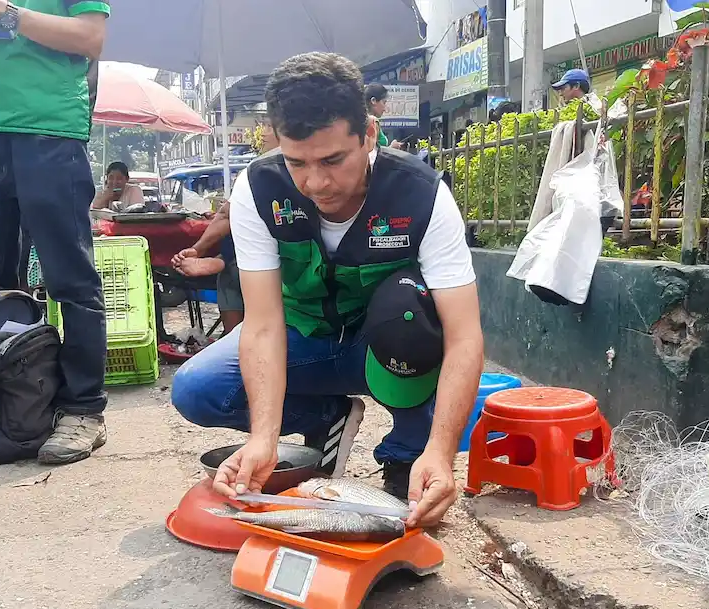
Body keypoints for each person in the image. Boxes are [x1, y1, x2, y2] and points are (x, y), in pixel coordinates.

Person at [170, 52, 484, 528]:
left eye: (333, 160)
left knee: (415, 318)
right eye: (296, 162)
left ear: (369, 134)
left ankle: (409, 455)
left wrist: (442, 454)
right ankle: (326, 414)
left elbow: (464, 336)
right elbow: (263, 324)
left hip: (382, 347)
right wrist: (263, 438)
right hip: (302, 337)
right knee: (197, 389)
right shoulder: (259, 190)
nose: (316, 183)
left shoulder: (421, 194)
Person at [0, 0, 110, 464]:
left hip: (48, 130)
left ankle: (83, 409)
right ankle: (0, 406)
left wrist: (3, 12)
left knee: (70, 279)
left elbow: (90, 37)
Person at [170, 124, 279, 334]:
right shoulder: (254, 172)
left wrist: (200, 250)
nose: (262, 133)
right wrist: (198, 249)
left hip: (270, 263)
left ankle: (223, 261)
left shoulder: (261, 171)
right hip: (248, 260)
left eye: (268, 126)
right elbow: (228, 214)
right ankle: (224, 260)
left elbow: (227, 214)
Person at [365, 83, 403, 150]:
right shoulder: (371, 122)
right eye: (384, 102)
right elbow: (371, 153)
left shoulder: (363, 120)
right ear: (373, 101)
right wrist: (391, 148)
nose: (385, 109)